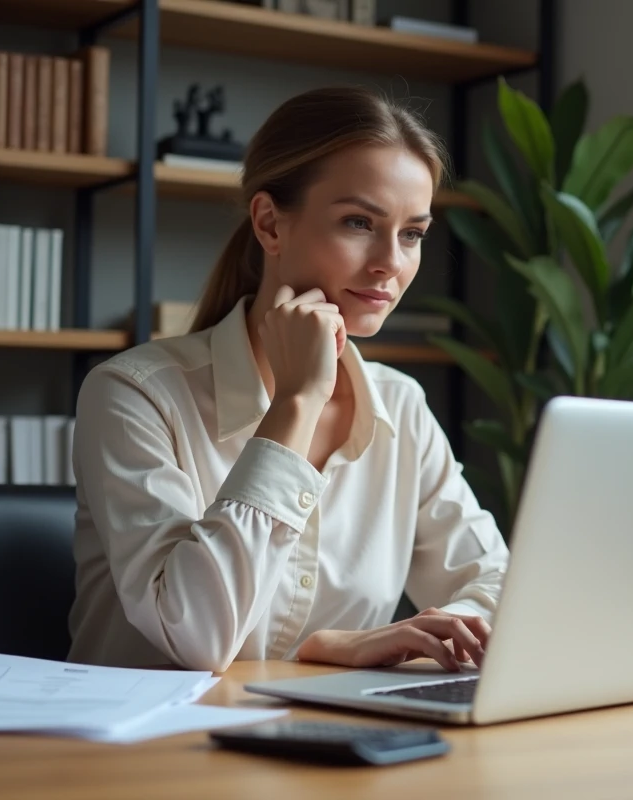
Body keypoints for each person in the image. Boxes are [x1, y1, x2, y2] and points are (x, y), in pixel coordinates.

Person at [66, 86, 511, 674]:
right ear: (270, 223)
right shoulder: (134, 395)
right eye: (359, 222)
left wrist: (348, 649)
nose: (391, 263)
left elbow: (498, 586)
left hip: (325, 741)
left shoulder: (399, 407)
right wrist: (298, 402)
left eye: (412, 234)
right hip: (146, 753)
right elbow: (196, 636)